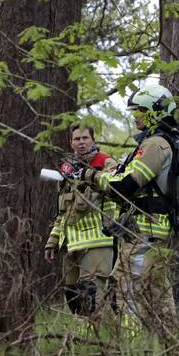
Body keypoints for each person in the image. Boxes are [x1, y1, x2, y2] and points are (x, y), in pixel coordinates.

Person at [80, 84, 179, 325]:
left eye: (139, 111)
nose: (135, 116)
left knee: (128, 290)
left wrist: (91, 176)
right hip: (153, 232)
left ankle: (132, 352)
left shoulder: (155, 145)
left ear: (154, 111)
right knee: (159, 296)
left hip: (146, 232)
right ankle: (171, 351)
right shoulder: (158, 143)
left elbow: (125, 186)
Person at [43, 124, 118, 316]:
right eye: (77, 139)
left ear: (93, 140)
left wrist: (91, 176)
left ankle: (99, 339)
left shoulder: (105, 162)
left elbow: (116, 187)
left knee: (92, 297)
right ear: (71, 142)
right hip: (72, 246)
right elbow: (63, 211)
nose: (81, 142)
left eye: (85, 138)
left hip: (97, 243)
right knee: (74, 298)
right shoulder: (67, 169)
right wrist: (52, 242)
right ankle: (82, 342)